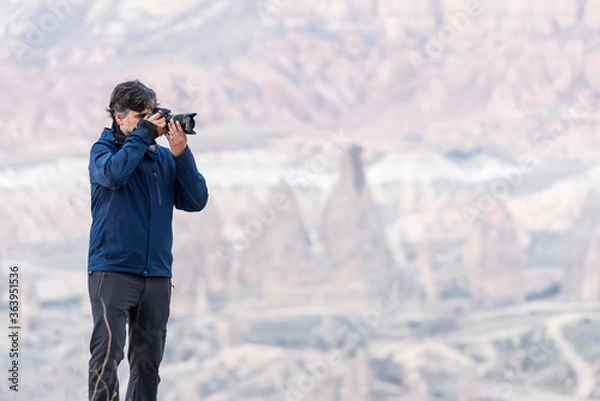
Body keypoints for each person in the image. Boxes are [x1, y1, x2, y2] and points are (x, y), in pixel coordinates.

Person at [86, 80, 209, 401]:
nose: (149, 122)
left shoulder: (163, 160)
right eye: (141, 117)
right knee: (106, 358)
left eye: (151, 115)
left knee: (148, 363)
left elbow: (195, 201)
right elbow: (113, 175)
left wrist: (181, 154)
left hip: (156, 274)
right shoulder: (103, 152)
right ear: (118, 117)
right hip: (112, 270)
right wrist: (142, 137)